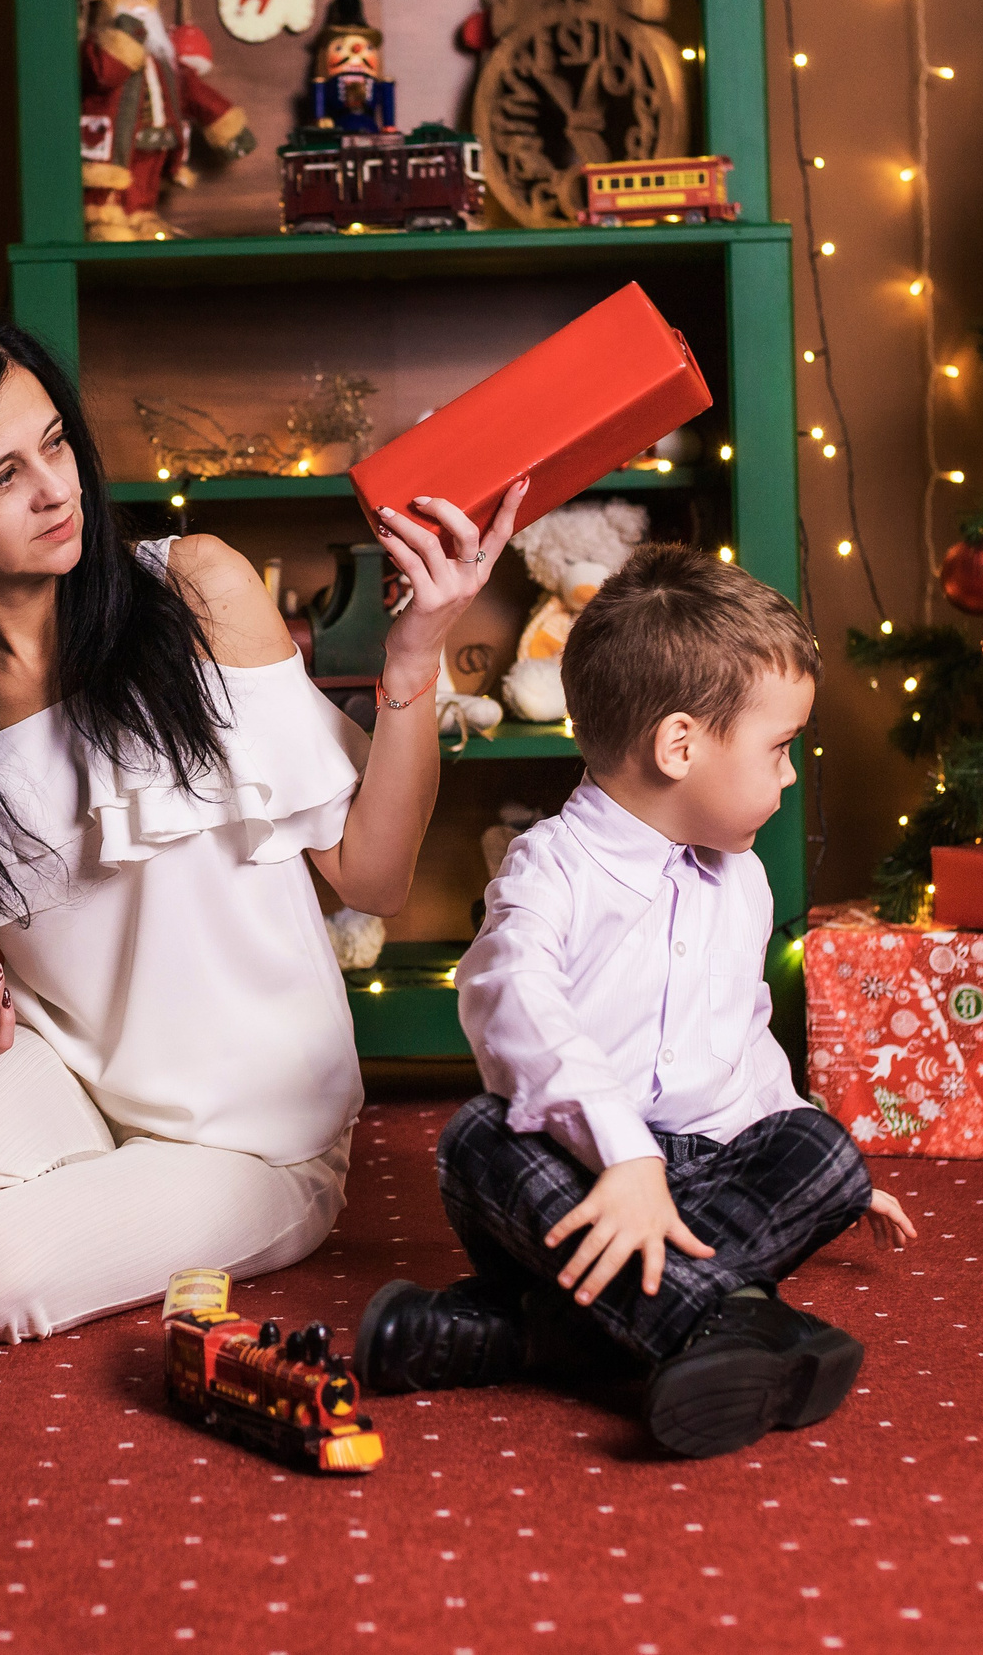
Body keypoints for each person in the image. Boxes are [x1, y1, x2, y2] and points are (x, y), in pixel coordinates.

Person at [0, 314, 520, 1343]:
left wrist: (414, 660)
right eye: (0, 477)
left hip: (252, 1142)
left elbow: (373, 878)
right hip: (65, 1078)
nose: (56, 489)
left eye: (56, 443)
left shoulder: (194, 591)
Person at [355, 544, 917, 1459]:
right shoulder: (550, 869)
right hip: (583, 1183)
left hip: (703, 1186)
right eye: (779, 749)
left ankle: (535, 1335)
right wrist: (622, 1155)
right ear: (679, 745)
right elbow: (513, 999)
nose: (788, 776)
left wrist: (807, 1143)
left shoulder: (742, 883)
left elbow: (744, 1043)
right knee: (479, 1140)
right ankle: (737, 1325)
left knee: (825, 1147)